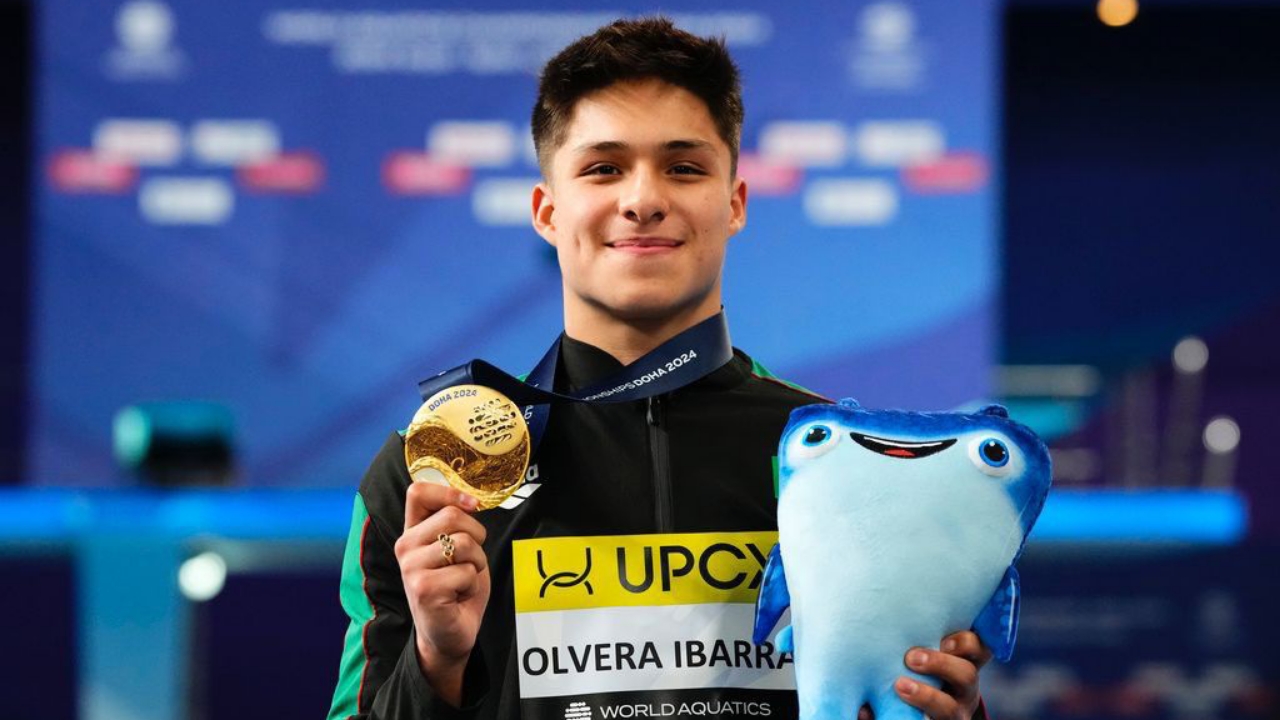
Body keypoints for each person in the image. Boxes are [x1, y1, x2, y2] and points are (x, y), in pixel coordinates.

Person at [329, 17, 992, 720]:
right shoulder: (430, 475)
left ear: (734, 203)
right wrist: (438, 662)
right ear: (547, 212)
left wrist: (945, 708)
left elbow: (906, 694)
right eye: (603, 167)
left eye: (683, 167)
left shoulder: (844, 462)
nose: (643, 200)